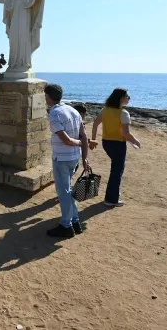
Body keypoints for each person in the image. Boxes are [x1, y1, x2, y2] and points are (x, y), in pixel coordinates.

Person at [44, 84, 90, 238]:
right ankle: (75, 221)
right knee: (68, 190)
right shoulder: (73, 110)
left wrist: (78, 143)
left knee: (63, 193)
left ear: (48, 97)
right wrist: (84, 157)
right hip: (74, 158)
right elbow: (83, 136)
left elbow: (67, 140)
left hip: (62, 159)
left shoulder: (54, 113)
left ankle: (66, 225)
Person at [89, 88, 141, 207]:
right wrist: (136, 141)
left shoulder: (105, 110)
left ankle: (113, 196)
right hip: (118, 144)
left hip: (106, 143)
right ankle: (111, 199)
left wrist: (93, 139)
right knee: (117, 171)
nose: (129, 99)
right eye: (127, 97)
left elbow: (95, 123)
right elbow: (126, 134)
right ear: (121, 98)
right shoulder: (123, 113)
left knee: (115, 169)